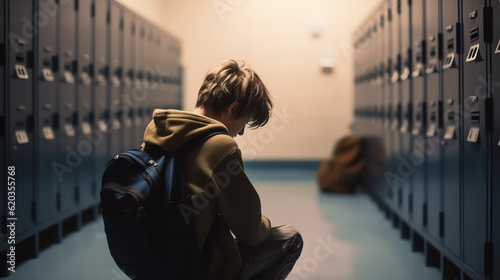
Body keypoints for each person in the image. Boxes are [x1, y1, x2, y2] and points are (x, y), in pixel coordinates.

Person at [142, 59, 303, 279]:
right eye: (245, 121)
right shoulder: (219, 145)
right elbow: (251, 233)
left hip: (154, 262)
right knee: (291, 239)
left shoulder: (158, 132)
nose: (242, 132)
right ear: (233, 108)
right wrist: (262, 222)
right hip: (196, 266)